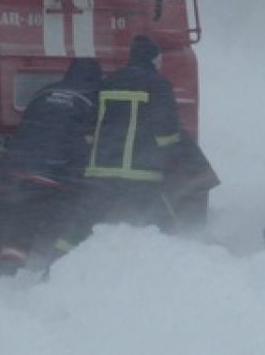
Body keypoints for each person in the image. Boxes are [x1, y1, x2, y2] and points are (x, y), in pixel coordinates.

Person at [0, 57, 102, 274]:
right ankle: (56, 268)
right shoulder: (92, 100)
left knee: (22, 221)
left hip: (25, 169)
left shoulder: (44, 93)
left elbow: (27, 127)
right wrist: (82, 176)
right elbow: (88, 140)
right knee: (69, 221)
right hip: (59, 175)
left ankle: (8, 270)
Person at [81, 35, 189, 231]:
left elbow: (89, 128)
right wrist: (174, 159)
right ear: (153, 59)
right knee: (163, 226)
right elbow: (166, 131)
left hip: (102, 172)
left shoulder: (109, 82)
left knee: (83, 225)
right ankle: (175, 257)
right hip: (142, 175)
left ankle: (59, 259)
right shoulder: (159, 84)